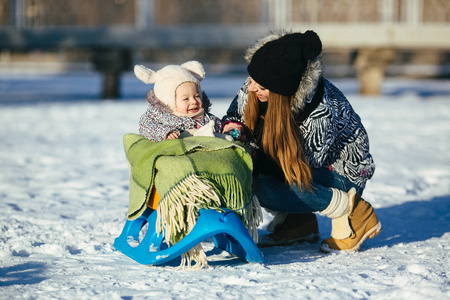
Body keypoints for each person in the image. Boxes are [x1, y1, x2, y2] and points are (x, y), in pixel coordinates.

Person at [222, 30, 381, 253]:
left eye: (260, 87)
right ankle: (298, 223)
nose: (250, 88)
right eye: (250, 81)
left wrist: (250, 154)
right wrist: (233, 126)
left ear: (282, 90)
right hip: (295, 167)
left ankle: (353, 210)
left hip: (340, 175)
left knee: (262, 185)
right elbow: (235, 112)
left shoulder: (320, 111)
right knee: (254, 175)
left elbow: (298, 167)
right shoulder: (261, 81)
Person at [135, 61, 224, 142]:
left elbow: (220, 127)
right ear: (169, 101)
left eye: (197, 96)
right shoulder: (158, 116)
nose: (194, 102)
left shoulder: (207, 118)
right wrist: (166, 133)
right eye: (186, 99)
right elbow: (146, 127)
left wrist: (226, 130)